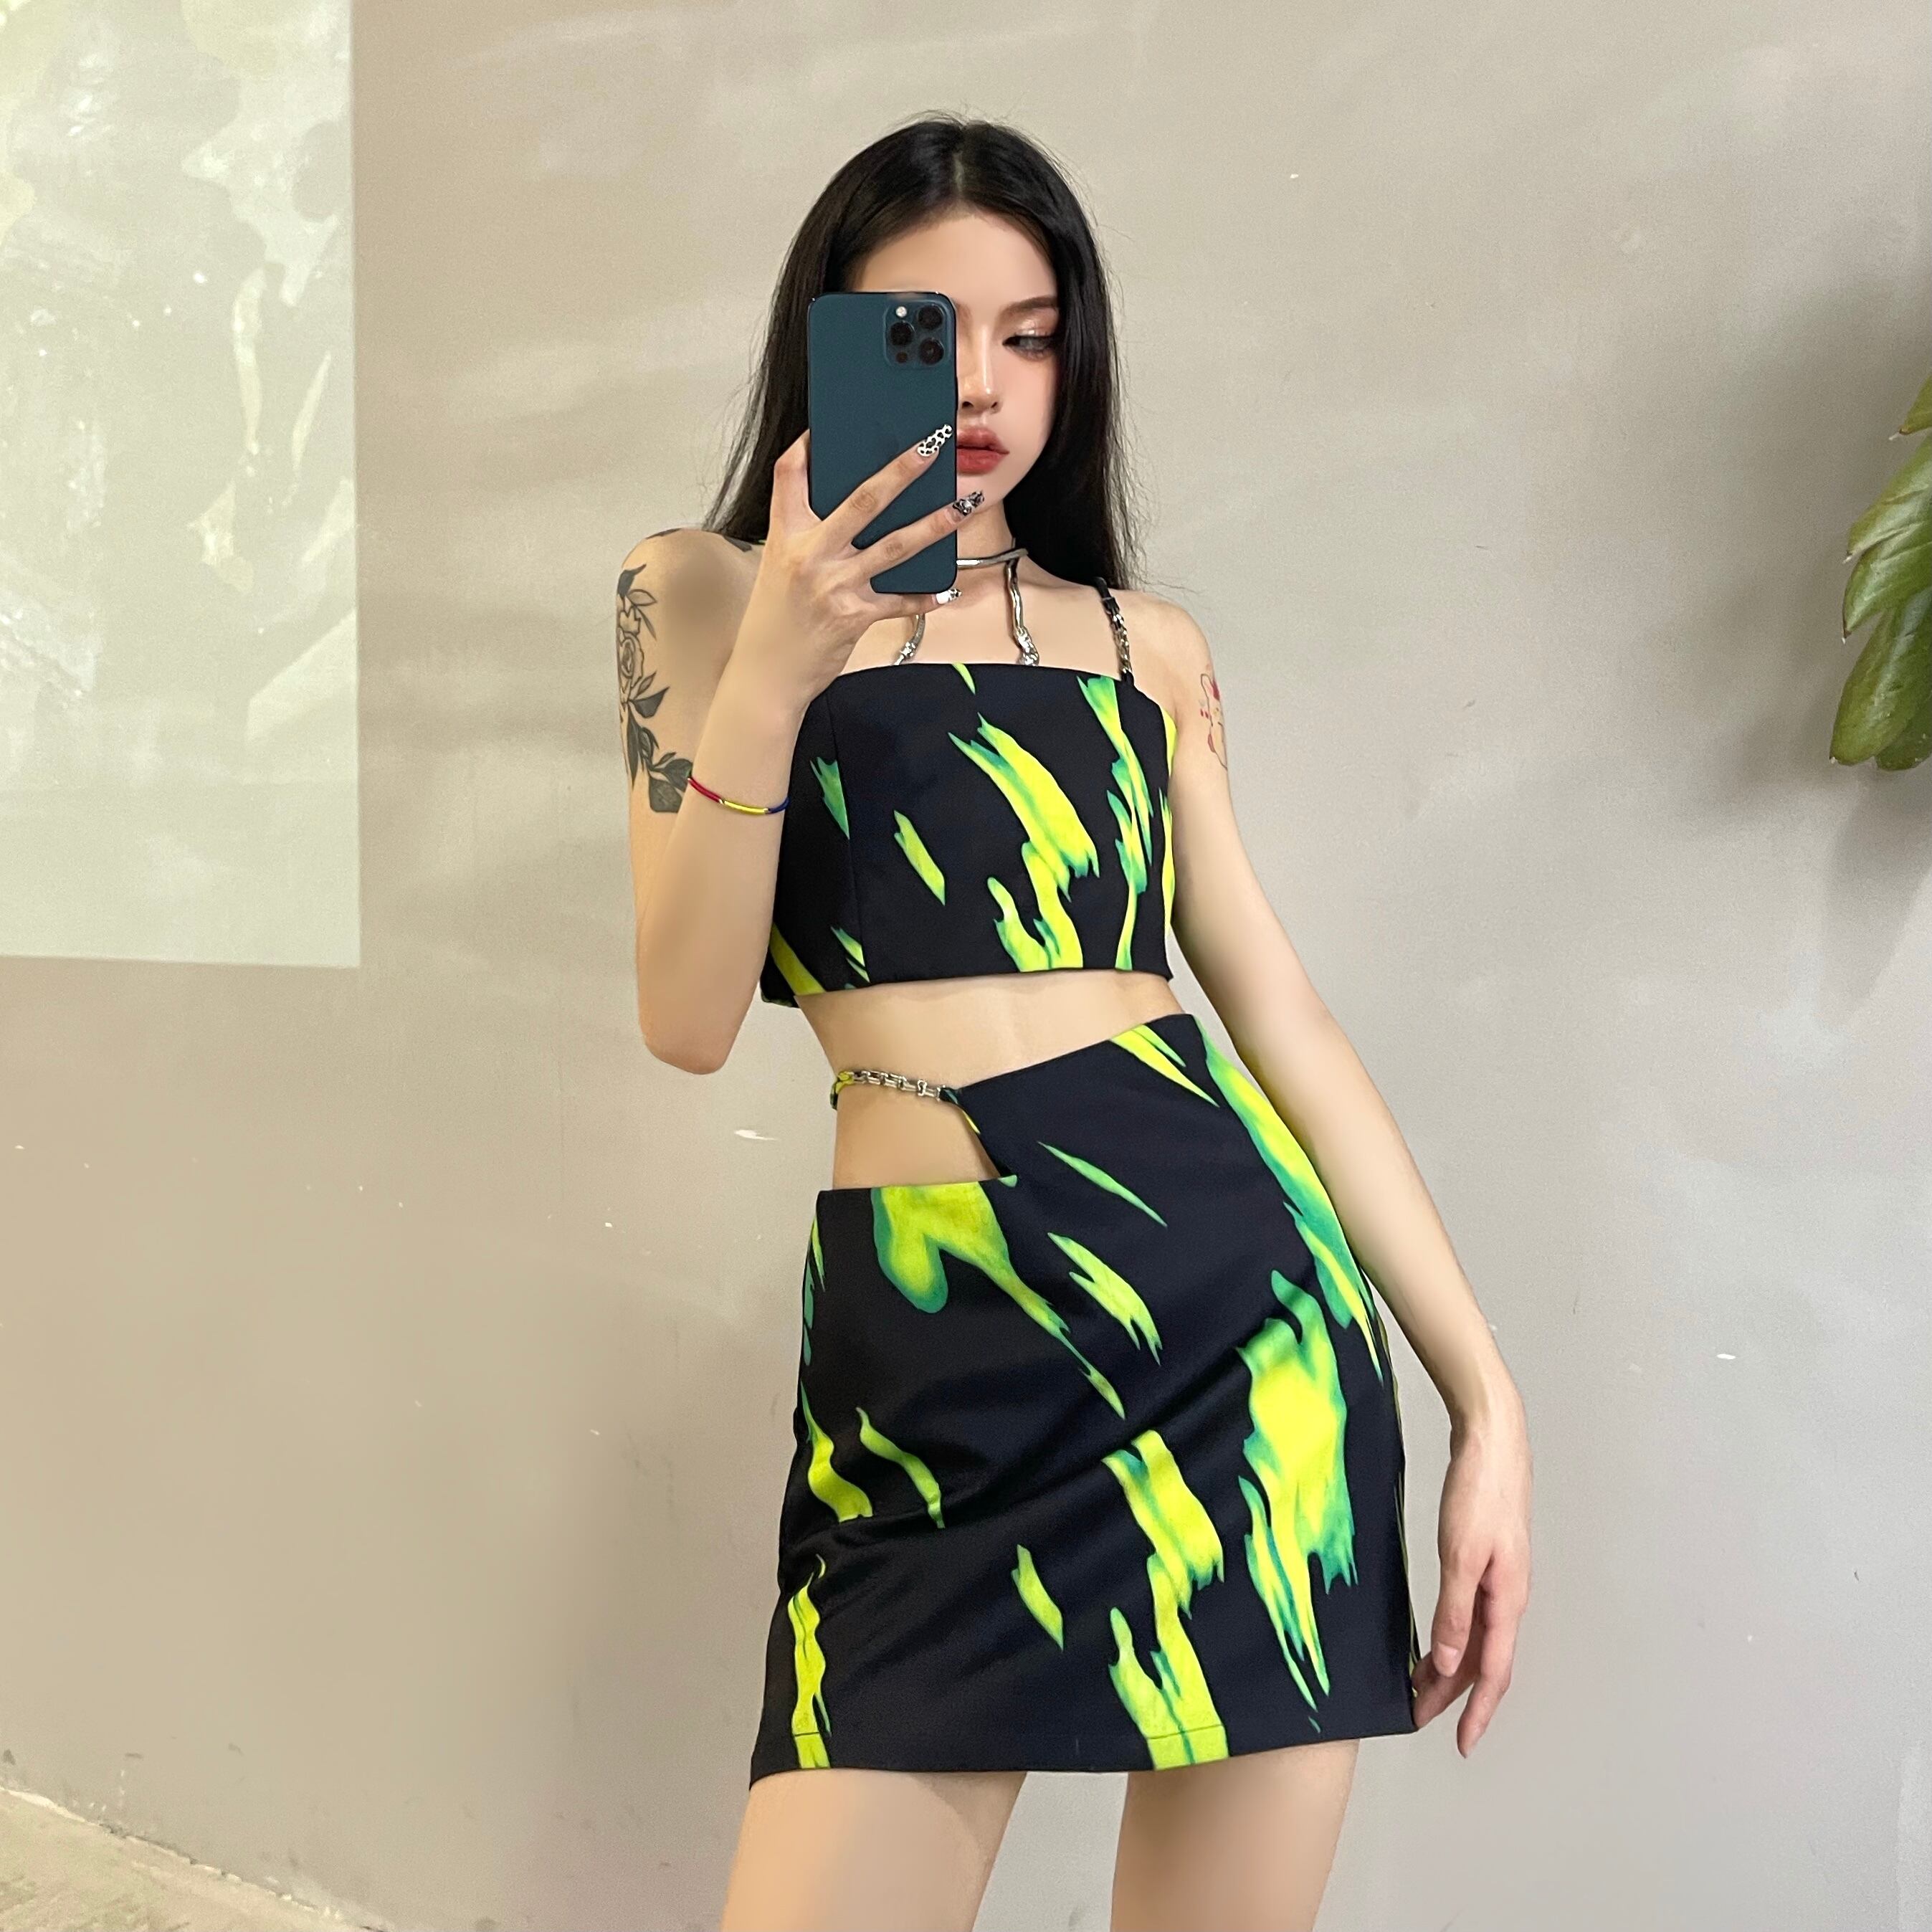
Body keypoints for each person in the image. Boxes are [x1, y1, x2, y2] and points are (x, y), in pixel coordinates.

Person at [618, 115, 1532, 1932]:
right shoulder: (697, 596)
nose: (980, 383)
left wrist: (1485, 1402)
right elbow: (687, 1013)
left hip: (1243, 1351)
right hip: (931, 1360)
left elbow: (1285, 1021)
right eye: (926, 332)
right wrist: (785, 661)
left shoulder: (1142, 646)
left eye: (1030, 335)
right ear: (831, 341)